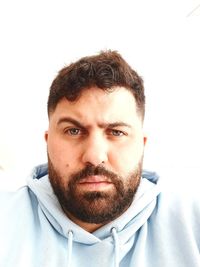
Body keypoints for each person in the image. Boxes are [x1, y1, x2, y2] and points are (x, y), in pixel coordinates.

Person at [0, 50, 199, 267]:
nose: (94, 157)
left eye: (116, 132)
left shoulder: (193, 225)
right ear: (48, 141)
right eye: (73, 131)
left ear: (142, 144)